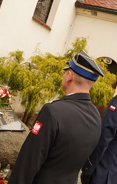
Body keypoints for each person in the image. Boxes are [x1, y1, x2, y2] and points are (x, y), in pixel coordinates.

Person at [9, 50, 104, 184]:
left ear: (69, 76)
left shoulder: (53, 111)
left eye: (66, 72)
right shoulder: (96, 115)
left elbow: (30, 160)